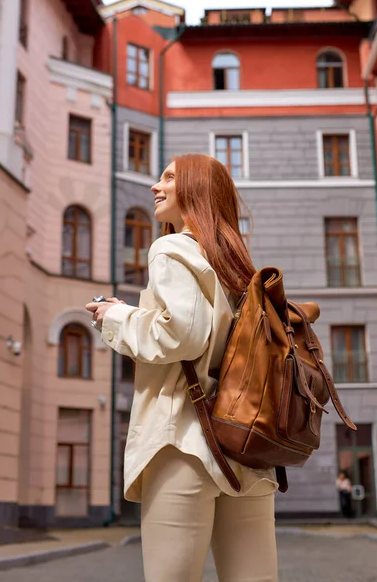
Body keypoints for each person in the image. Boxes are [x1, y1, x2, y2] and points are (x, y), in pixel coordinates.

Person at [86, 154, 278, 582]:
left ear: (195, 190)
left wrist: (114, 317)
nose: (156, 186)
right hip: (248, 447)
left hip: (184, 444)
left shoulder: (172, 248)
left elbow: (182, 335)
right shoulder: (238, 267)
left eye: (169, 177)